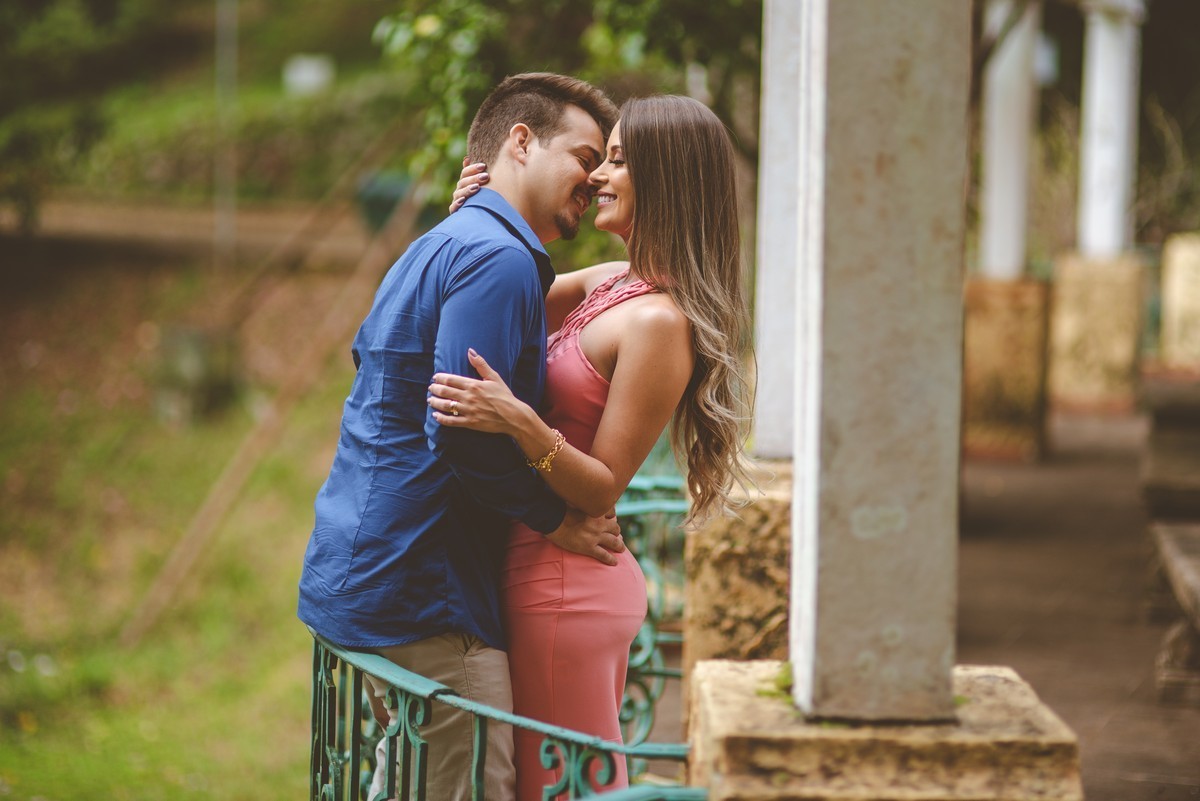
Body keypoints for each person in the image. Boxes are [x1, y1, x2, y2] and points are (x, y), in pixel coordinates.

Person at [296, 72, 624, 801]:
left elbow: (378, 363)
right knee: (473, 782)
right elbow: (460, 430)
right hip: (424, 589)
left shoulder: (444, 242)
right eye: (585, 154)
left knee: (407, 775)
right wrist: (556, 520)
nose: (596, 175)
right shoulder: (498, 258)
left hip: (362, 563)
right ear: (519, 141)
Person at [431, 94, 753, 799]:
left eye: (617, 160)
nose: (597, 178)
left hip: (565, 588)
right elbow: (493, 282)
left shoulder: (659, 323)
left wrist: (519, 423)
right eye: (600, 159)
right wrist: (472, 218)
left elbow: (604, 483)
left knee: (561, 788)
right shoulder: (611, 283)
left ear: (665, 178)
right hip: (539, 568)